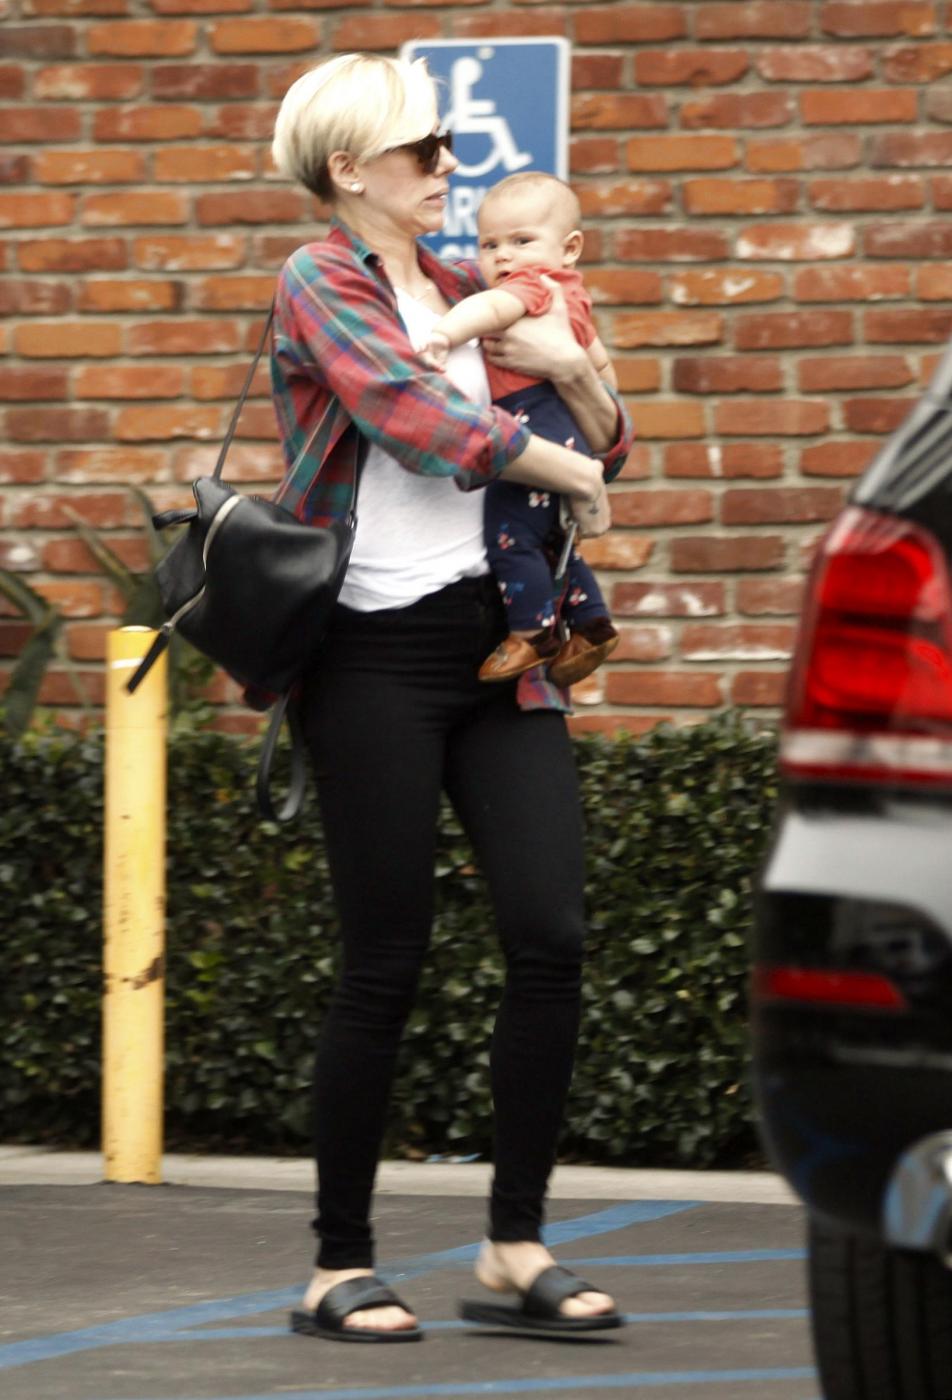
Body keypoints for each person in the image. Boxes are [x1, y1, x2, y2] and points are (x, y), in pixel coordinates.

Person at [268, 52, 634, 1344]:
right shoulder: (322, 282)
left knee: (551, 933)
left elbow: (604, 425)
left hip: (501, 650)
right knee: (387, 957)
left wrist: (580, 395)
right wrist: (570, 468)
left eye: (445, 146)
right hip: (372, 655)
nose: (446, 167)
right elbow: (414, 416)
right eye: (424, 150)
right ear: (350, 169)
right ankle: (337, 1264)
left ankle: (514, 1242)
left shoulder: (474, 282)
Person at [423, 171, 619, 688]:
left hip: (533, 420)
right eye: (490, 245)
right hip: (566, 422)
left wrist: (444, 335)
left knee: (509, 535)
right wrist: (589, 378)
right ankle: (591, 624)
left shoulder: (530, 286)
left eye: (522, 241)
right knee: (548, 536)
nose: (504, 257)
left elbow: (492, 307)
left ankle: (532, 633)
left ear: (569, 248)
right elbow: (601, 367)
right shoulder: (572, 295)